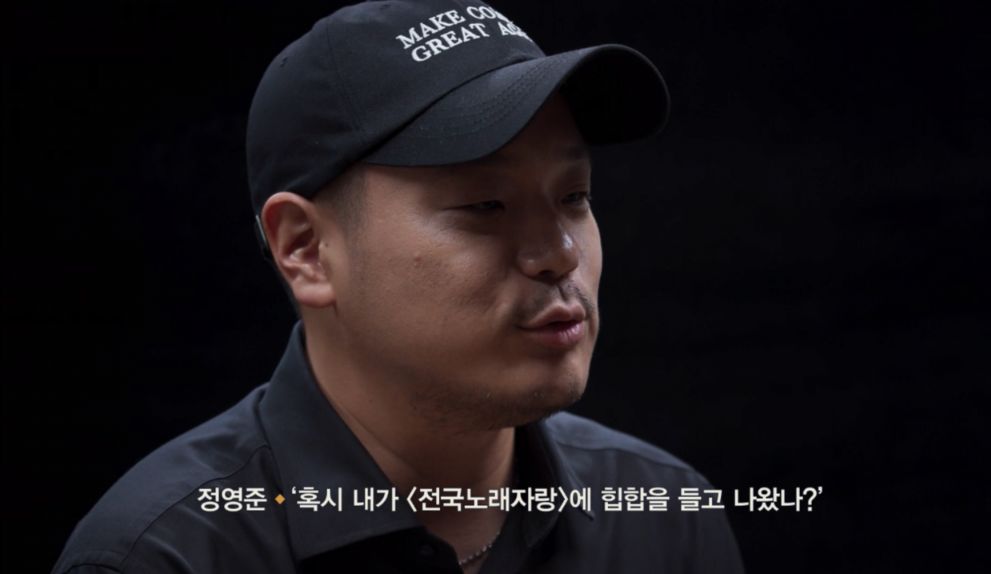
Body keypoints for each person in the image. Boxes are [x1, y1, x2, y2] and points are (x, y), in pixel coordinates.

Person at [53, 1, 745, 572]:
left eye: (574, 196)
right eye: (486, 205)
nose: (560, 254)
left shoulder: (664, 519)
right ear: (306, 250)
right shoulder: (166, 556)